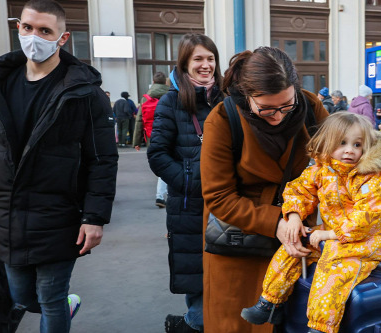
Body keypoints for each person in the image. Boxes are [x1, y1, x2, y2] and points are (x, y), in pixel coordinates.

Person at [0, 1, 118, 332]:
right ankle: (64, 307)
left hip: (59, 212)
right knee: (22, 295)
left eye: (45, 30)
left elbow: (102, 159)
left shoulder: (84, 92)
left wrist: (94, 218)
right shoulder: (0, 83)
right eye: (28, 28)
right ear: (18, 27)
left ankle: (60, 308)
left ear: (62, 38)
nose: (34, 36)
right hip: (11, 211)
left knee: (49, 297)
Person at [200, 46, 329, 333]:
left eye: (287, 106)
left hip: (299, 238)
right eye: (267, 109)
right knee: (240, 324)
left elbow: (332, 165)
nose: (279, 116)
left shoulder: (309, 107)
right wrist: (276, 224)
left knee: (298, 321)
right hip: (240, 242)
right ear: (247, 97)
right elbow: (219, 197)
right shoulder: (223, 119)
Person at [241, 112, 381, 333]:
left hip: (368, 238)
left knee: (333, 268)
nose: (349, 150)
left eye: (357, 144)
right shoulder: (323, 170)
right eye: (342, 143)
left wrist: (330, 235)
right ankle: (270, 301)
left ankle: (321, 327)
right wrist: (294, 216)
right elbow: (298, 190)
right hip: (332, 232)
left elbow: (366, 218)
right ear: (328, 142)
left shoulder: (373, 178)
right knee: (293, 247)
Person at [147, 33, 224, 333]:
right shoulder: (171, 102)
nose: (206, 65)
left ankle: (191, 324)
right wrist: (192, 183)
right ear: (185, 63)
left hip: (228, 203)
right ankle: (192, 324)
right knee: (197, 275)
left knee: (224, 273)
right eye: (198, 59)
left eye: (210, 59)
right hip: (190, 205)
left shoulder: (227, 99)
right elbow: (158, 155)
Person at [133, 71, 168, 151]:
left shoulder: (145, 98)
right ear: (165, 82)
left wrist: (136, 142)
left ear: (153, 82)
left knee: (155, 157)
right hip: (170, 133)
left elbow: (139, 120)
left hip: (151, 134)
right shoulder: (172, 95)